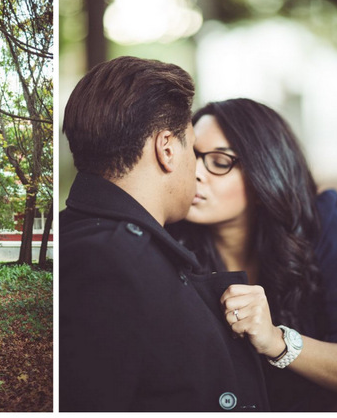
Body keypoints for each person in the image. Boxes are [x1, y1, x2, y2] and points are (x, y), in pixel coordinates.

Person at [60, 56, 271, 411]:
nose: (198, 169)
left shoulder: (104, 242)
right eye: (193, 147)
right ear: (168, 148)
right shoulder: (110, 263)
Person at [168, 98, 337, 411]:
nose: (195, 172)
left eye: (219, 162)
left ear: (264, 172)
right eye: (192, 155)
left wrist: (275, 341)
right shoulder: (167, 237)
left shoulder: (318, 224)